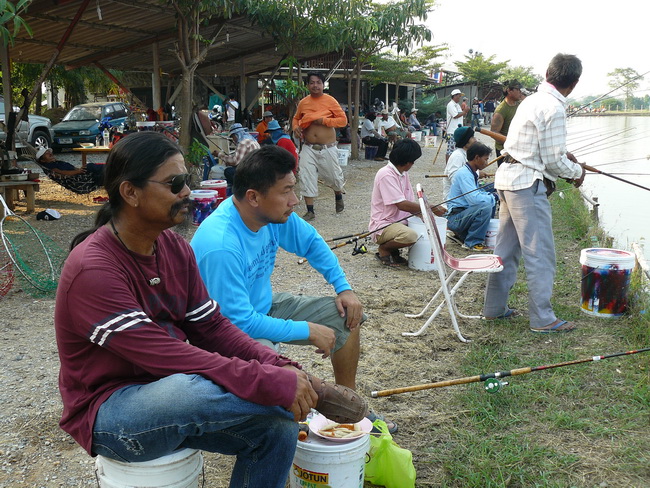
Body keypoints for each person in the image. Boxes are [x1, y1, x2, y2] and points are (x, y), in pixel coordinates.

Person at [54, 131, 367, 488]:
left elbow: (214, 328)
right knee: (191, 388)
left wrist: (282, 367)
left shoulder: (173, 248)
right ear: (130, 192)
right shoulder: (93, 270)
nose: (187, 192)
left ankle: (305, 390)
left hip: (172, 394)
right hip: (111, 415)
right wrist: (272, 380)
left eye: (185, 180)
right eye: (175, 184)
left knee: (278, 427)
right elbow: (166, 357)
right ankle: (315, 391)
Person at [190, 145, 395, 431]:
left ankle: (347, 405)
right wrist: (307, 330)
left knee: (347, 314)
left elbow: (311, 243)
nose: (295, 200)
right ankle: (284, 428)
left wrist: (343, 288)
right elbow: (238, 323)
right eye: (286, 191)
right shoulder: (221, 244)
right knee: (272, 369)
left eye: (293, 189)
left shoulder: (268, 216)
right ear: (253, 197)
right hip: (225, 335)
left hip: (261, 307)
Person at [483, 53, 586, 333]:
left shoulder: (531, 101)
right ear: (574, 83)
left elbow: (545, 151)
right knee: (540, 253)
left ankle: (493, 309)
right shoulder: (554, 108)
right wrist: (578, 173)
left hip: (508, 180)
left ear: (548, 74)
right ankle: (543, 319)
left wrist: (565, 158)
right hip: (527, 185)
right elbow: (553, 161)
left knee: (506, 249)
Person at [369, 139, 444, 266]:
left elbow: (409, 202)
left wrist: (423, 214)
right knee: (410, 236)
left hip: (401, 221)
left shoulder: (403, 173)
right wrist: (430, 208)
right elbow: (401, 204)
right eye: (413, 161)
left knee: (429, 226)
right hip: (384, 224)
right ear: (409, 162)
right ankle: (385, 249)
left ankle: (394, 251)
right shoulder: (386, 174)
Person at [292, 71, 347, 221]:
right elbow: (296, 118)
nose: (315, 85)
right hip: (308, 147)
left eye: (318, 82)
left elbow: (343, 121)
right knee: (306, 175)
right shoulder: (304, 102)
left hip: (327, 148)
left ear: (323, 84)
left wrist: (323, 121)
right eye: (312, 82)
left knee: (334, 176)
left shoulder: (330, 101)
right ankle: (310, 210)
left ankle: (338, 194)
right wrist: (295, 127)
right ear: (308, 85)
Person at [446, 142, 497, 251]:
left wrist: (492, 195)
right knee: (485, 206)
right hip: (456, 218)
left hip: (463, 214)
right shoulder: (465, 174)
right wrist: (494, 197)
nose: (487, 163)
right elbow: (474, 199)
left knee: (491, 192)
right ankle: (473, 242)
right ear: (477, 157)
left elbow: (479, 193)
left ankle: (467, 235)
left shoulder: (470, 172)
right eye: (485, 159)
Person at [215, 123, 260, 191]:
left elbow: (235, 161)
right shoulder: (252, 140)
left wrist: (220, 155)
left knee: (228, 171)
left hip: (250, 172)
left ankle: (241, 189)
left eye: (233, 137)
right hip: (256, 170)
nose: (233, 139)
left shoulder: (243, 143)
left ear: (236, 135)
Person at [491, 80, 525, 160]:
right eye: (518, 90)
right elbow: (493, 132)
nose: (520, 92)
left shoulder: (520, 105)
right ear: (509, 90)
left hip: (518, 150)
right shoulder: (501, 110)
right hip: (504, 151)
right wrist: (511, 142)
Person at [36, 147, 104, 186]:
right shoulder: (50, 167)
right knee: (91, 167)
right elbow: (62, 173)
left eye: (49, 152)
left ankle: (111, 168)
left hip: (81, 176)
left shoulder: (56, 162)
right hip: (79, 180)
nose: (50, 153)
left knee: (95, 169)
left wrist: (79, 169)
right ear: (43, 160)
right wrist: (78, 171)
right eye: (46, 153)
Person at [443, 126, 476, 201]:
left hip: (465, 195)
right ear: (465, 142)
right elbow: (455, 180)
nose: (475, 140)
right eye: (472, 137)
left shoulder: (465, 154)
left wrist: (478, 173)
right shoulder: (457, 156)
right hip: (456, 201)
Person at [446, 89, 469, 162]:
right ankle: (448, 167)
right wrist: (465, 112)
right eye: (459, 96)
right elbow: (455, 115)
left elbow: (460, 115)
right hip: (452, 131)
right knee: (450, 150)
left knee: (457, 149)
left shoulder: (457, 105)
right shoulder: (451, 104)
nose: (460, 97)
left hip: (457, 130)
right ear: (454, 96)